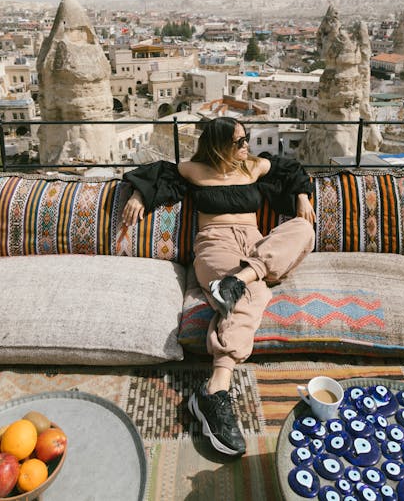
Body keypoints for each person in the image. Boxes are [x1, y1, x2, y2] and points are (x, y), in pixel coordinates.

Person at [122, 117, 315, 457]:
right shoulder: (194, 170)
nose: (246, 147)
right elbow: (158, 174)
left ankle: (239, 280)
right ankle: (216, 388)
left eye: (246, 139)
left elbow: (290, 169)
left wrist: (302, 196)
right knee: (253, 294)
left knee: (303, 230)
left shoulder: (254, 166)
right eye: (238, 142)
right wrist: (139, 195)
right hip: (215, 246)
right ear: (218, 145)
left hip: (256, 246)